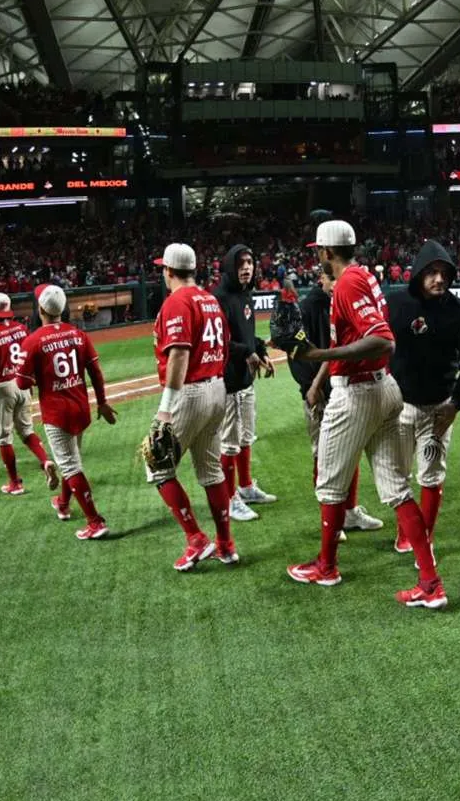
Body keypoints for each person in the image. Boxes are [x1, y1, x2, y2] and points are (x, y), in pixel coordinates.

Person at [288, 220, 446, 610]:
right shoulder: (366, 276)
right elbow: (354, 336)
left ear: (326, 252)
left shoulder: (347, 283)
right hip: (385, 389)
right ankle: (430, 583)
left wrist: (319, 357)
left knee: (329, 485)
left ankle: (326, 566)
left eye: (317, 251)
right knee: (396, 487)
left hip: (358, 392)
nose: (316, 257)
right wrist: (319, 377)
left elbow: (382, 339)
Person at [388, 240, 460, 555]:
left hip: (439, 410)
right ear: (418, 274)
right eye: (431, 272)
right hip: (399, 406)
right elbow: (377, 347)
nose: (439, 279)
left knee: (431, 473)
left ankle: (424, 538)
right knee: (398, 474)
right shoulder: (396, 304)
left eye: (444, 273)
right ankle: (406, 531)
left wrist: (456, 404)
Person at [149, 244, 237, 571]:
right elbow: (225, 346)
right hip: (217, 387)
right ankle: (226, 544)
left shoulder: (177, 301)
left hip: (190, 392)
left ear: (168, 271)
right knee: (211, 470)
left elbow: (180, 354)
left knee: (156, 465)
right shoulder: (209, 298)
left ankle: (196, 539)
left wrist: (166, 407)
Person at [286, 267, 383, 537]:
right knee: (324, 456)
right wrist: (311, 387)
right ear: (323, 280)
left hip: (343, 390)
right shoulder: (306, 308)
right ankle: (329, 519)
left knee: (349, 453)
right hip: (319, 394)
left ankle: (349, 513)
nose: (339, 285)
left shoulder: (342, 301)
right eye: (334, 280)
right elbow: (296, 353)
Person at [17, 285, 116, 540]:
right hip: (81, 407)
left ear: (40, 309)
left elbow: (21, 383)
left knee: (70, 466)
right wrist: (102, 402)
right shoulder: (79, 335)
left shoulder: (33, 340)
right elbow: (95, 371)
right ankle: (63, 503)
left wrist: (40, 377)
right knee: (71, 460)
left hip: (56, 411)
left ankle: (95, 521)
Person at [214, 244, 276, 523]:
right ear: (229, 266)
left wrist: (261, 352)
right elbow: (220, 342)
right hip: (228, 381)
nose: (247, 268)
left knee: (246, 436)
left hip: (245, 378)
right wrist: (246, 352)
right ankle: (229, 500)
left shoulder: (246, 294)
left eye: (250, 262)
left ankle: (246, 486)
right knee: (229, 443)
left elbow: (249, 335)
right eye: (241, 263)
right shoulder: (219, 298)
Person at [0, 292, 57, 495]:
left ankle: (15, 483)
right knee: (27, 430)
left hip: (2, 387)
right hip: (22, 384)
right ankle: (45, 460)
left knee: (4, 437)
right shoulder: (22, 329)